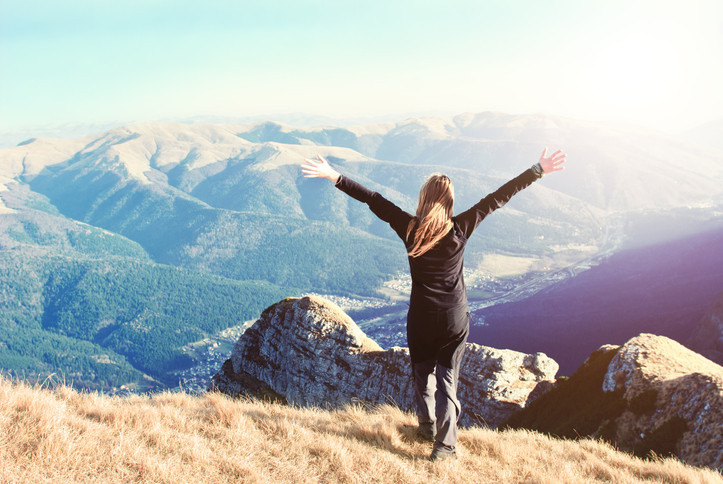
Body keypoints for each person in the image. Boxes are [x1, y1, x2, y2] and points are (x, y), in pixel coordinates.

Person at [300, 148, 566, 461]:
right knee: (447, 382)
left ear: (423, 199)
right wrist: (537, 169)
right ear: (449, 201)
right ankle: (445, 447)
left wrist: (335, 176)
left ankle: (425, 427)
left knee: (422, 375)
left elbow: (373, 199)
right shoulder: (460, 228)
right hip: (453, 320)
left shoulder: (409, 228)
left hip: (421, 318)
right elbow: (499, 197)